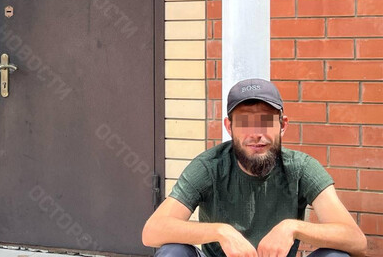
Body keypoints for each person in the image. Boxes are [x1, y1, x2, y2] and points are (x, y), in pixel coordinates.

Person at [142, 78, 367, 257]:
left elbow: (355, 239)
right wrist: (221, 232)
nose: (256, 133)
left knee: (335, 255)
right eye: (244, 122)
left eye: (265, 120)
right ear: (229, 127)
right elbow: (153, 230)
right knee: (173, 252)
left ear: (282, 125)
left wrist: (292, 228)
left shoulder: (301, 168)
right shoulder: (209, 167)